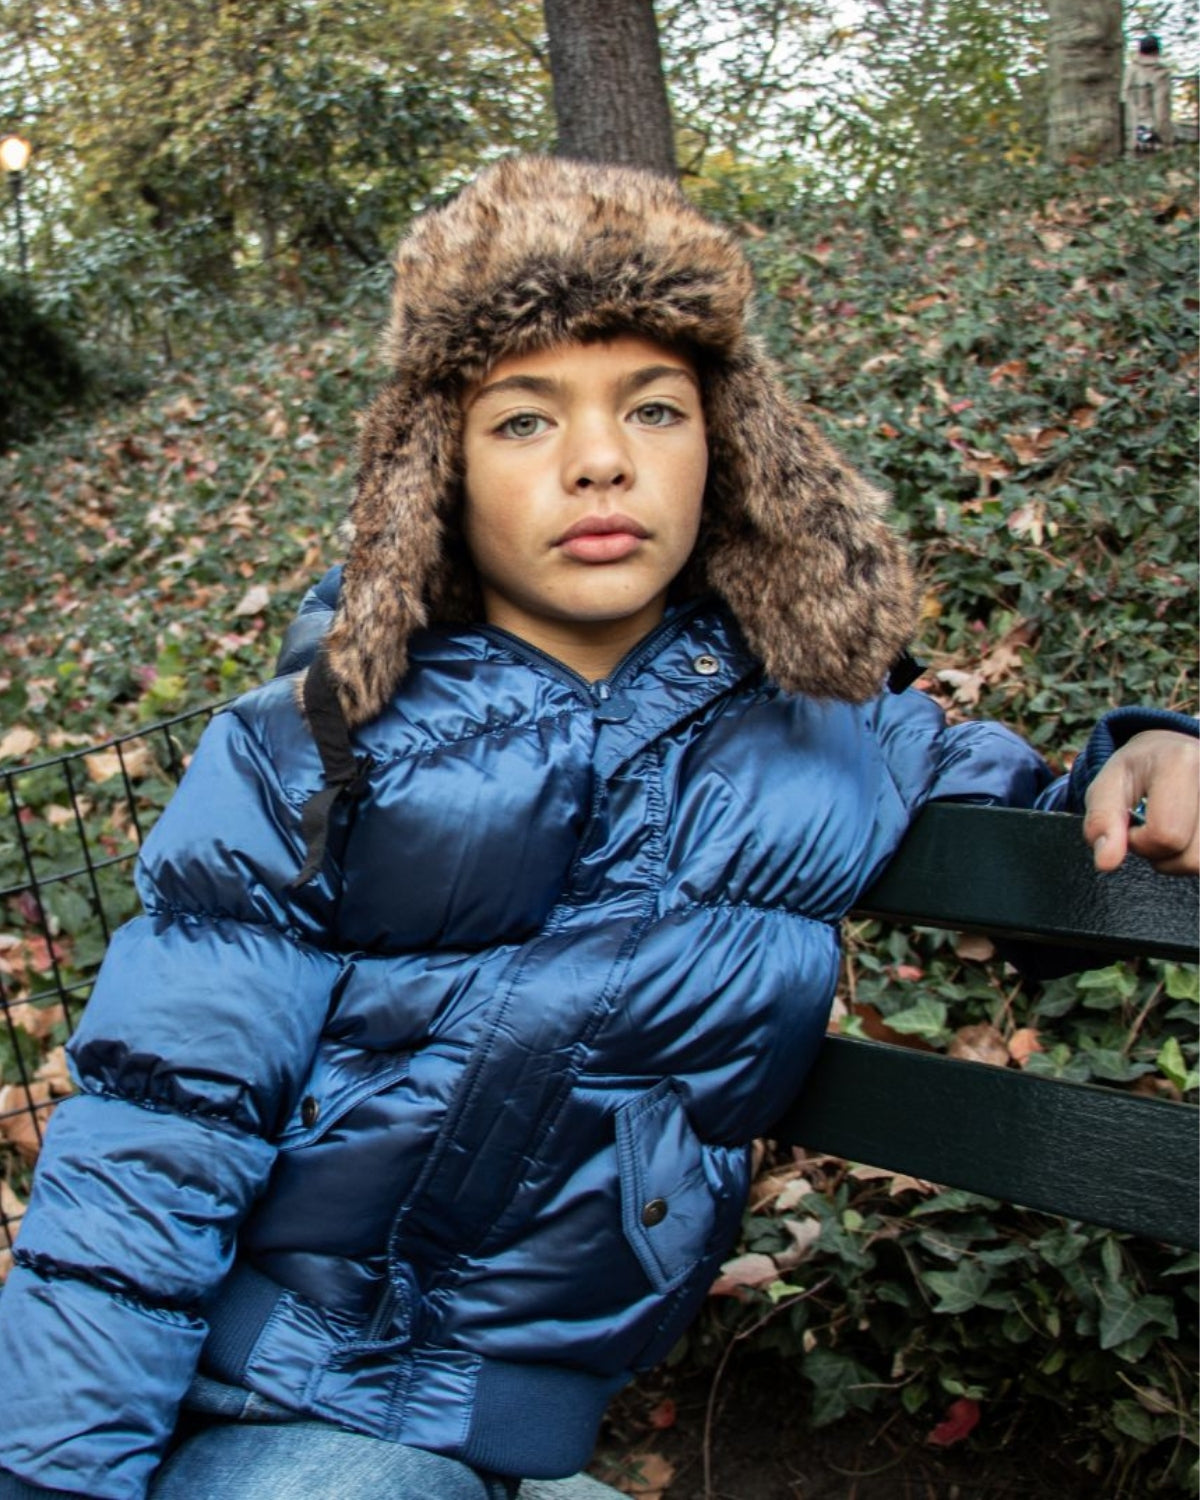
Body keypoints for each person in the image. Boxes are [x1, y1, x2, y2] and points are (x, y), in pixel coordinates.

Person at [0, 155, 1195, 1500]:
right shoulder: (320, 742)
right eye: (523, 421)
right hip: (278, 1395)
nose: (600, 458)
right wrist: (58, 1480)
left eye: (656, 407)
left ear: (730, 444)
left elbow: (1030, 814)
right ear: (434, 467)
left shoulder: (830, 723)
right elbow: (158, 1134)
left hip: (508, 1431)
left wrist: (1152, 754)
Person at [1123, 34, 1174, 154]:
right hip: (1152, 135)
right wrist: (1167, 140)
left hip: (1130, 134)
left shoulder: (1129, 70)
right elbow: (1161, 110)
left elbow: (1124, 99)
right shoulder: (1160, 73)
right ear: (1157, 51)